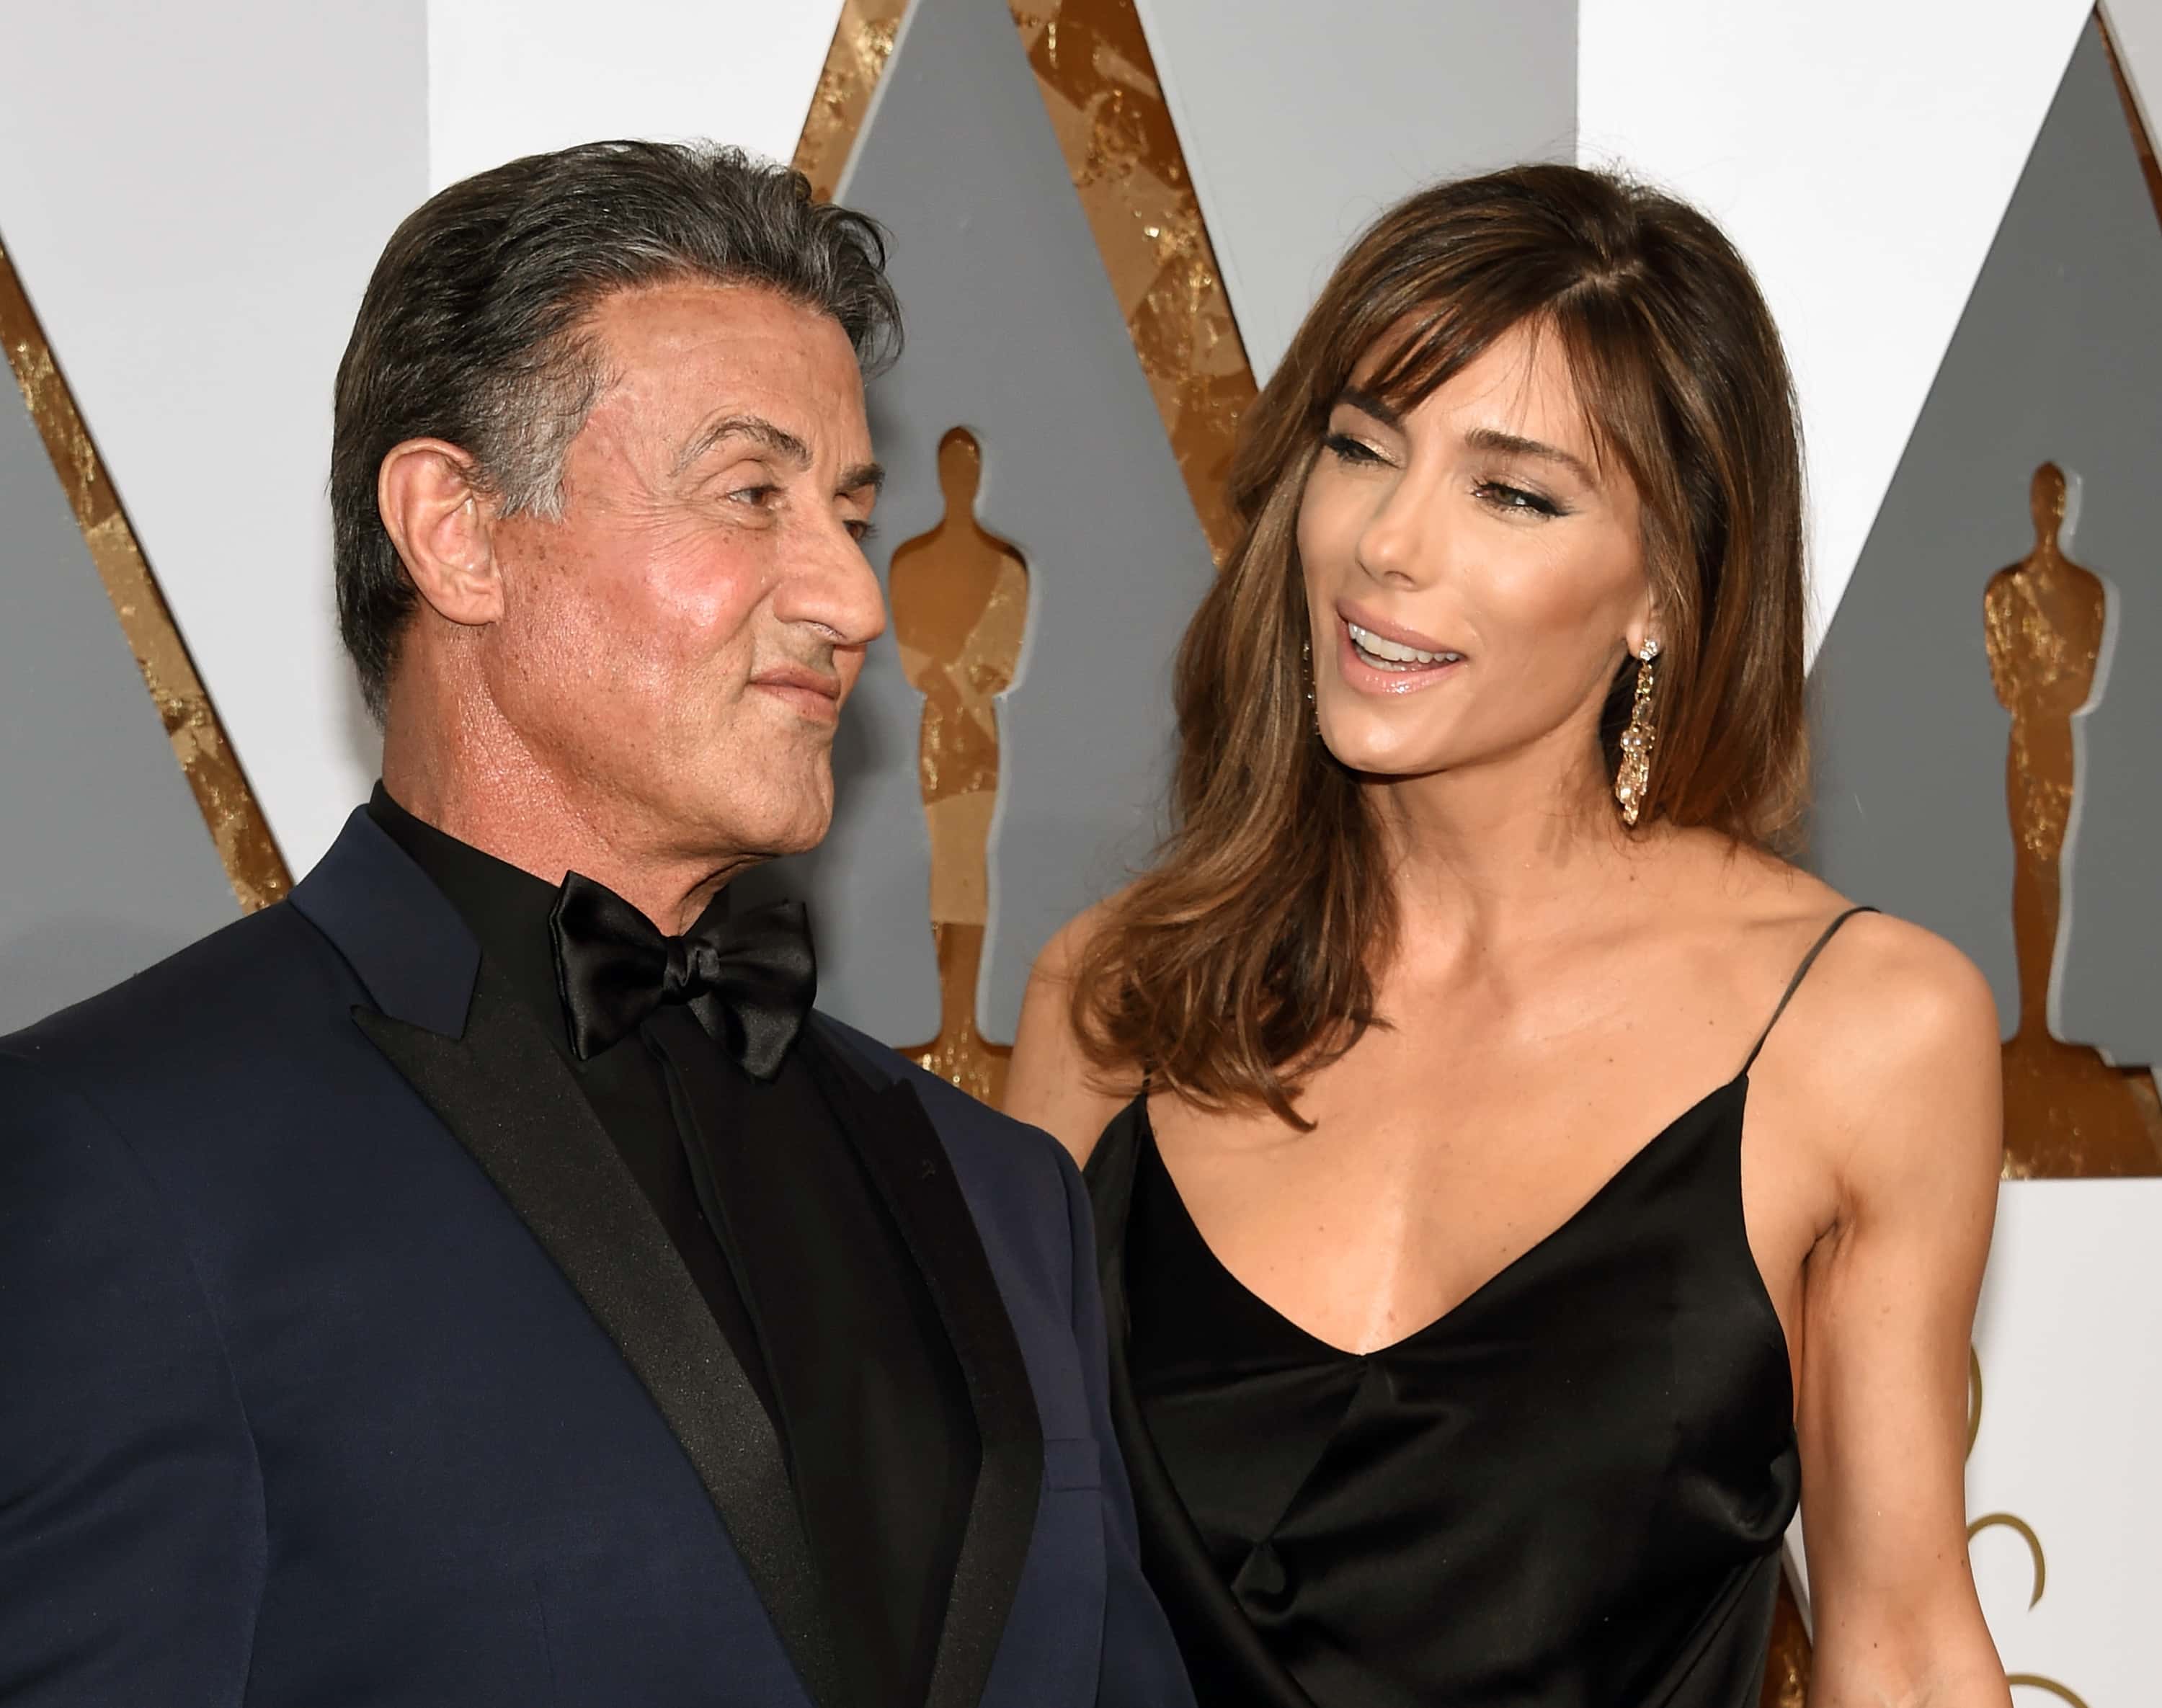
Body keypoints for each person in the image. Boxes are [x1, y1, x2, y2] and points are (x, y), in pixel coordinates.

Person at [0, 141, 1190, 1708]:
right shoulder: (118, 1157)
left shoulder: (1005, 1194)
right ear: (459, 532)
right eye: (752, 493)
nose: (852, 595)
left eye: (847, 508)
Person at [1007, 164, 2010, 1708]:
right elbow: (1005, 1604)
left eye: (1514, 493)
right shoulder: (1121, 998)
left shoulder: (1859, 1030)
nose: (1389, 547)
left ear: (1662, 595)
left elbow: (1903, 1646)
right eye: (1363, 449)